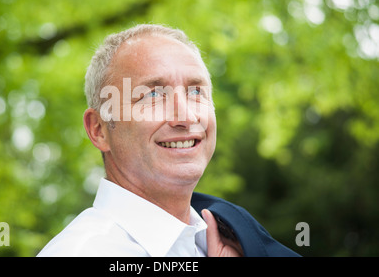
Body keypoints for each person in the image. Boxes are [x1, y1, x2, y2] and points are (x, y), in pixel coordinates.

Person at [37, 24, 300, 257]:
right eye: (152, 95)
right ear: (99, 129)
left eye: (196, 91)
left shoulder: (230, 242)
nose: (185, 116)